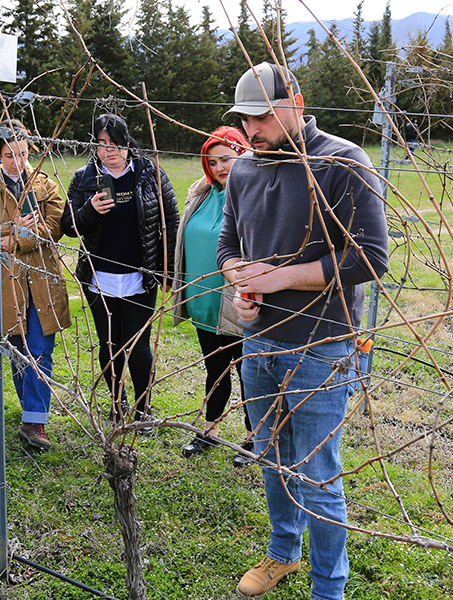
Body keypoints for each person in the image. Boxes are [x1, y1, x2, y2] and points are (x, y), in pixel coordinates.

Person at [217, 63, 389, 600]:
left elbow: (370, 257)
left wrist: (281, 277)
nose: (252, 131)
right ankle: (283, 554)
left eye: (263, 117)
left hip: (322, 346)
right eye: (245, 120)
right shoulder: (243, 170)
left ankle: (328, 589)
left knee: (317, 473)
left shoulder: (340, 162)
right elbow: (228, 244)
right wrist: (242, 285)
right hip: (258, 342)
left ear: (295, 99)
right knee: (271, 456)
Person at [61, 113, 179, 429]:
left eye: (114, 143)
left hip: (141, 278)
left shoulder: (150, 174)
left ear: (127, 143)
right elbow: (68, 226)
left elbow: (171, 223)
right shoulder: (83, 178)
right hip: (100, 279)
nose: (108, 150)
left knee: (138, 347)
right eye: (101, 144)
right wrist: (89, 210)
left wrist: (167, 270)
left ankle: (142, 409)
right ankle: (116, 404)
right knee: (110, 347)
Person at [0, 119, 71, 451]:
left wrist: (16, 239)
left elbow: (54, 225)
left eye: (23, 154)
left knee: (41, 350)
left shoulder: (45, 185)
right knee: (19, 352)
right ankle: (30, 409)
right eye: (9, 155)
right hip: (5, 285)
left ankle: (34, 422)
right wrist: (11, 229)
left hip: (42, 279)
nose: (17, 161)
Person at [172, 126, 254, 465]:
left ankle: (256, 437)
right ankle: (210, 430)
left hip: (239, 302)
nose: (220, 167)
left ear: (244, 155)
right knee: (215, 369)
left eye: (227, 159)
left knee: (250, 374)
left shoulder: (254, 195)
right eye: (212, 160)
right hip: (203, 302)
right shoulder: (201, 192)